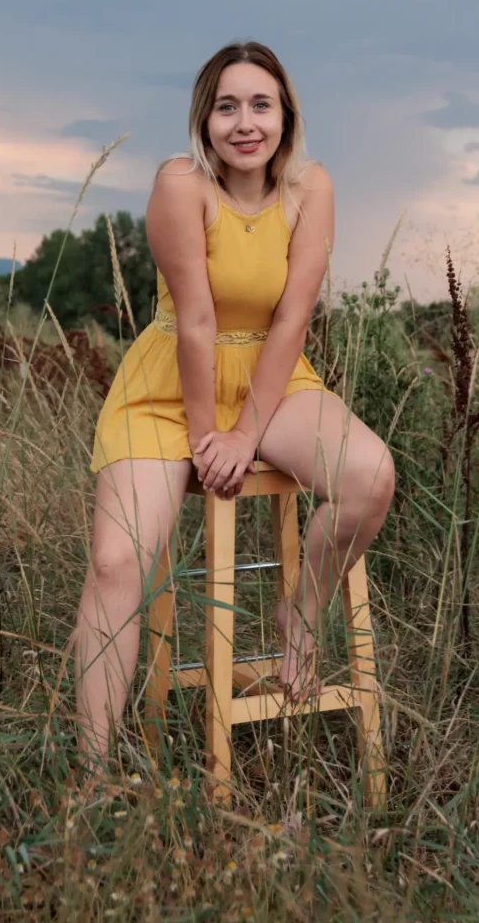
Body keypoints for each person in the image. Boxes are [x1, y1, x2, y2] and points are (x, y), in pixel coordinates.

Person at [75, 40, 396, 765]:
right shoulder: (179, 183)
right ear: (204, 119)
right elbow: (193, 319)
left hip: (272, 378)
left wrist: (245, 432)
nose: (243, 123)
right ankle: (90, 774)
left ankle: (299, 613)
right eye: (226, 107)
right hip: (168, 385)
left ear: (285, 115)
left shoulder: (311, 187)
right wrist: (203, 437)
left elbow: (291, 318)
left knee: (369, 477)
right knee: (117, 562)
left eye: (260, 104)